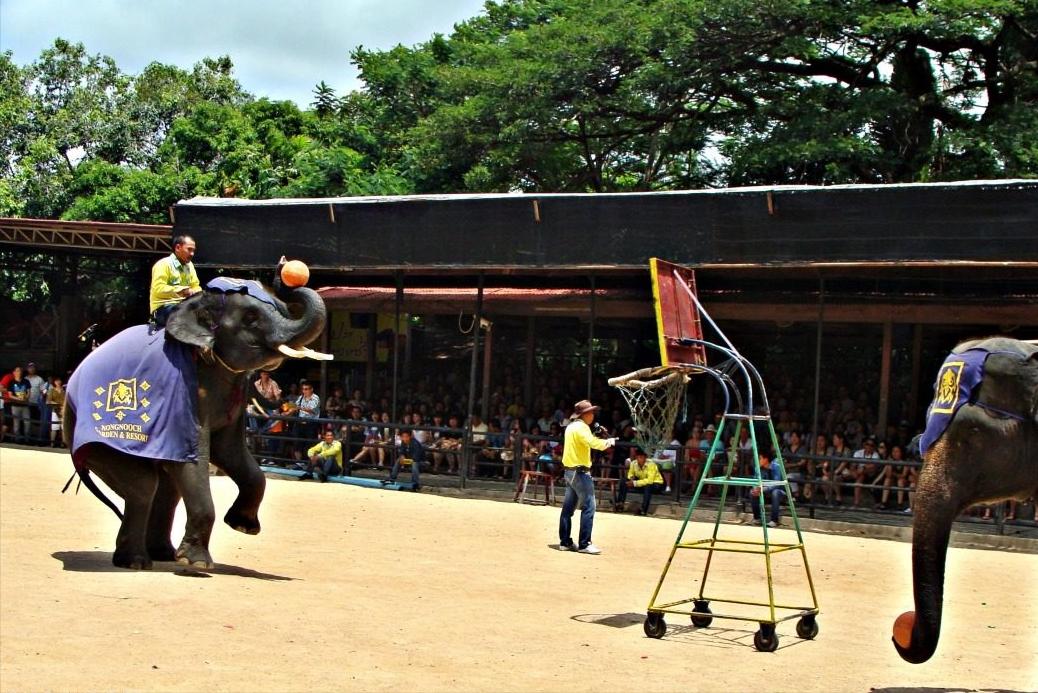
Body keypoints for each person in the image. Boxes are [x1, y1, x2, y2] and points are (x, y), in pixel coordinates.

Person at [558, 399, 615, 555]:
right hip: (580, 471)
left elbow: (583, 442)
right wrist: (607, 442)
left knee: (568, 508)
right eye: (591, 412)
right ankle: (584, 543)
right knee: (589, 505)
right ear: (585, 414)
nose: (593, 415)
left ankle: (565, 541)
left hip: (569, 471)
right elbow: (593, 443)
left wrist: (596, 435)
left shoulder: (571, 427)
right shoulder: (582, 428)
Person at [149, 235, 202, 326]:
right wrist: (182, 291)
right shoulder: (163, 264)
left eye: (193, 250)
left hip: (184, 306)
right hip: (162, 309)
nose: (192, 253)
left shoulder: (190, 266)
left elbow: (196, 286)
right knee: (185, 314)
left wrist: (196, 292)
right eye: (189, 249)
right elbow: (158, 289)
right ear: (178, 247)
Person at [616, 448, 665, 515]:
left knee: (648, 486)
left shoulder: (651, 465)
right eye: (638, 457)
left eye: (642, 457)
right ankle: (620, 503)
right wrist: (631, 478)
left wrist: (635, 483)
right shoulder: (633, 463)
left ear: (645, 458)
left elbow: (650, 481)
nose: (640, 459)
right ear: (636, 457)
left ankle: (643, 510)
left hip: (656, 484)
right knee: (623, 481)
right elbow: (630, 473)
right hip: (641, 483)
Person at [749, 452, 787, 527]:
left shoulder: (776, 466)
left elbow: (777, 484)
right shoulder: (758, 468)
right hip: (765, 491)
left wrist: (763, 489)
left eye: (760, 459)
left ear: (766, 459)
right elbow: (755, 481)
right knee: (752, 492)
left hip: (781, 491)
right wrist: (756, 489)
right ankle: (757, 518)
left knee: (775, 492)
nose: (757, 460)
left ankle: (774, 520)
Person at [0, 365, 31, 443]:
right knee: (9, 421)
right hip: (9, 402)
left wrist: (24, 398)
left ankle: (18, 439)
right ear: (14, 372)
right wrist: (14, 394)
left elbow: (29, 391)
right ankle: (3, 439)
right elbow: (1, 388)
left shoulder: (25, 380)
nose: (19, 372)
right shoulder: (9, 378)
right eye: (17, 371)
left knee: (23, 422)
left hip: (22, 403)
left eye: (20, 371)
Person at [24, 362, 48, 444]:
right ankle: (28, 438)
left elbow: (44, 390)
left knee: (37, 422)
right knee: (27, 421)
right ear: (27, 369)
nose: (32, 369)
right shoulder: (25, 379)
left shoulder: (39, 379)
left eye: (33, 368)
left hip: (36, 404)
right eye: (30, 368)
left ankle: (37, 439)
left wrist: (45, 394)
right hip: (27, 403)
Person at [45, 375, 66, 447]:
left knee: (63, 428)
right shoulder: (52, 390)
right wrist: (56, 403)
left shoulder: (64, 390)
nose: (58, 382)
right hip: (55, 409)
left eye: (59, 381)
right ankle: (52, 443)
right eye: (57, 381)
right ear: (54, 382)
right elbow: (48, 401)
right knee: (54, 427)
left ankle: (63, 444)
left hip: (63, 410)